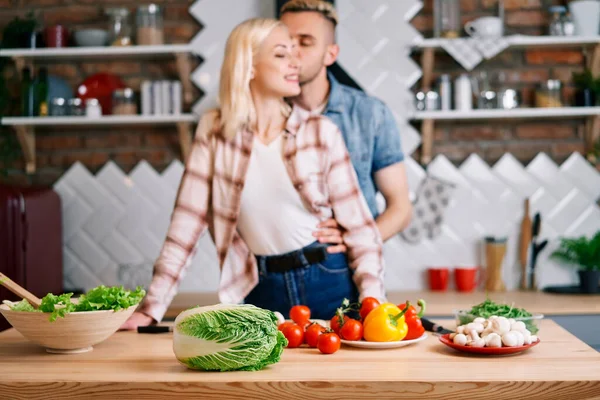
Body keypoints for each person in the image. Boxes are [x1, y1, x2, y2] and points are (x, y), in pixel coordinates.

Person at [120, 17, 385, 330]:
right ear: (249, 66)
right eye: (280, 54)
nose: (295, 61)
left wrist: (374, 307)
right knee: (269, 379)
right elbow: (185, 224)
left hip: (327, 277)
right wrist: (152, 309)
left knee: (337, 378)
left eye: (295, 52)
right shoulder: (214, 132)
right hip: (260, 285)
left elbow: (362, 234)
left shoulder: (321, 132)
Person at [279, 0, 412, 253]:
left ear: (330, 54)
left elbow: (401, 208)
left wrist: (357, 240)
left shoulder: (370, 114)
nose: (291, 51)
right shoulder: (259, 115)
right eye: (285, 41)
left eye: (305, 42)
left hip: (352, 272)